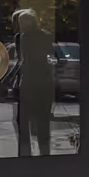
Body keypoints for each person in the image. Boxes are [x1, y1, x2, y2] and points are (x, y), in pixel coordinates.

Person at [10, 8, 55, 158]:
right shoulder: (47, 36)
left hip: (29, 83)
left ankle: (25, 154)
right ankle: (45, 153)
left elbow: (23, 62)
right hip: (45, 83)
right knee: (43, 119)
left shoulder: (24, 38)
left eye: (21, 23)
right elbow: (53, 58)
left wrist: (7, 79)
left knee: (23, 120)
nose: (19, 26)